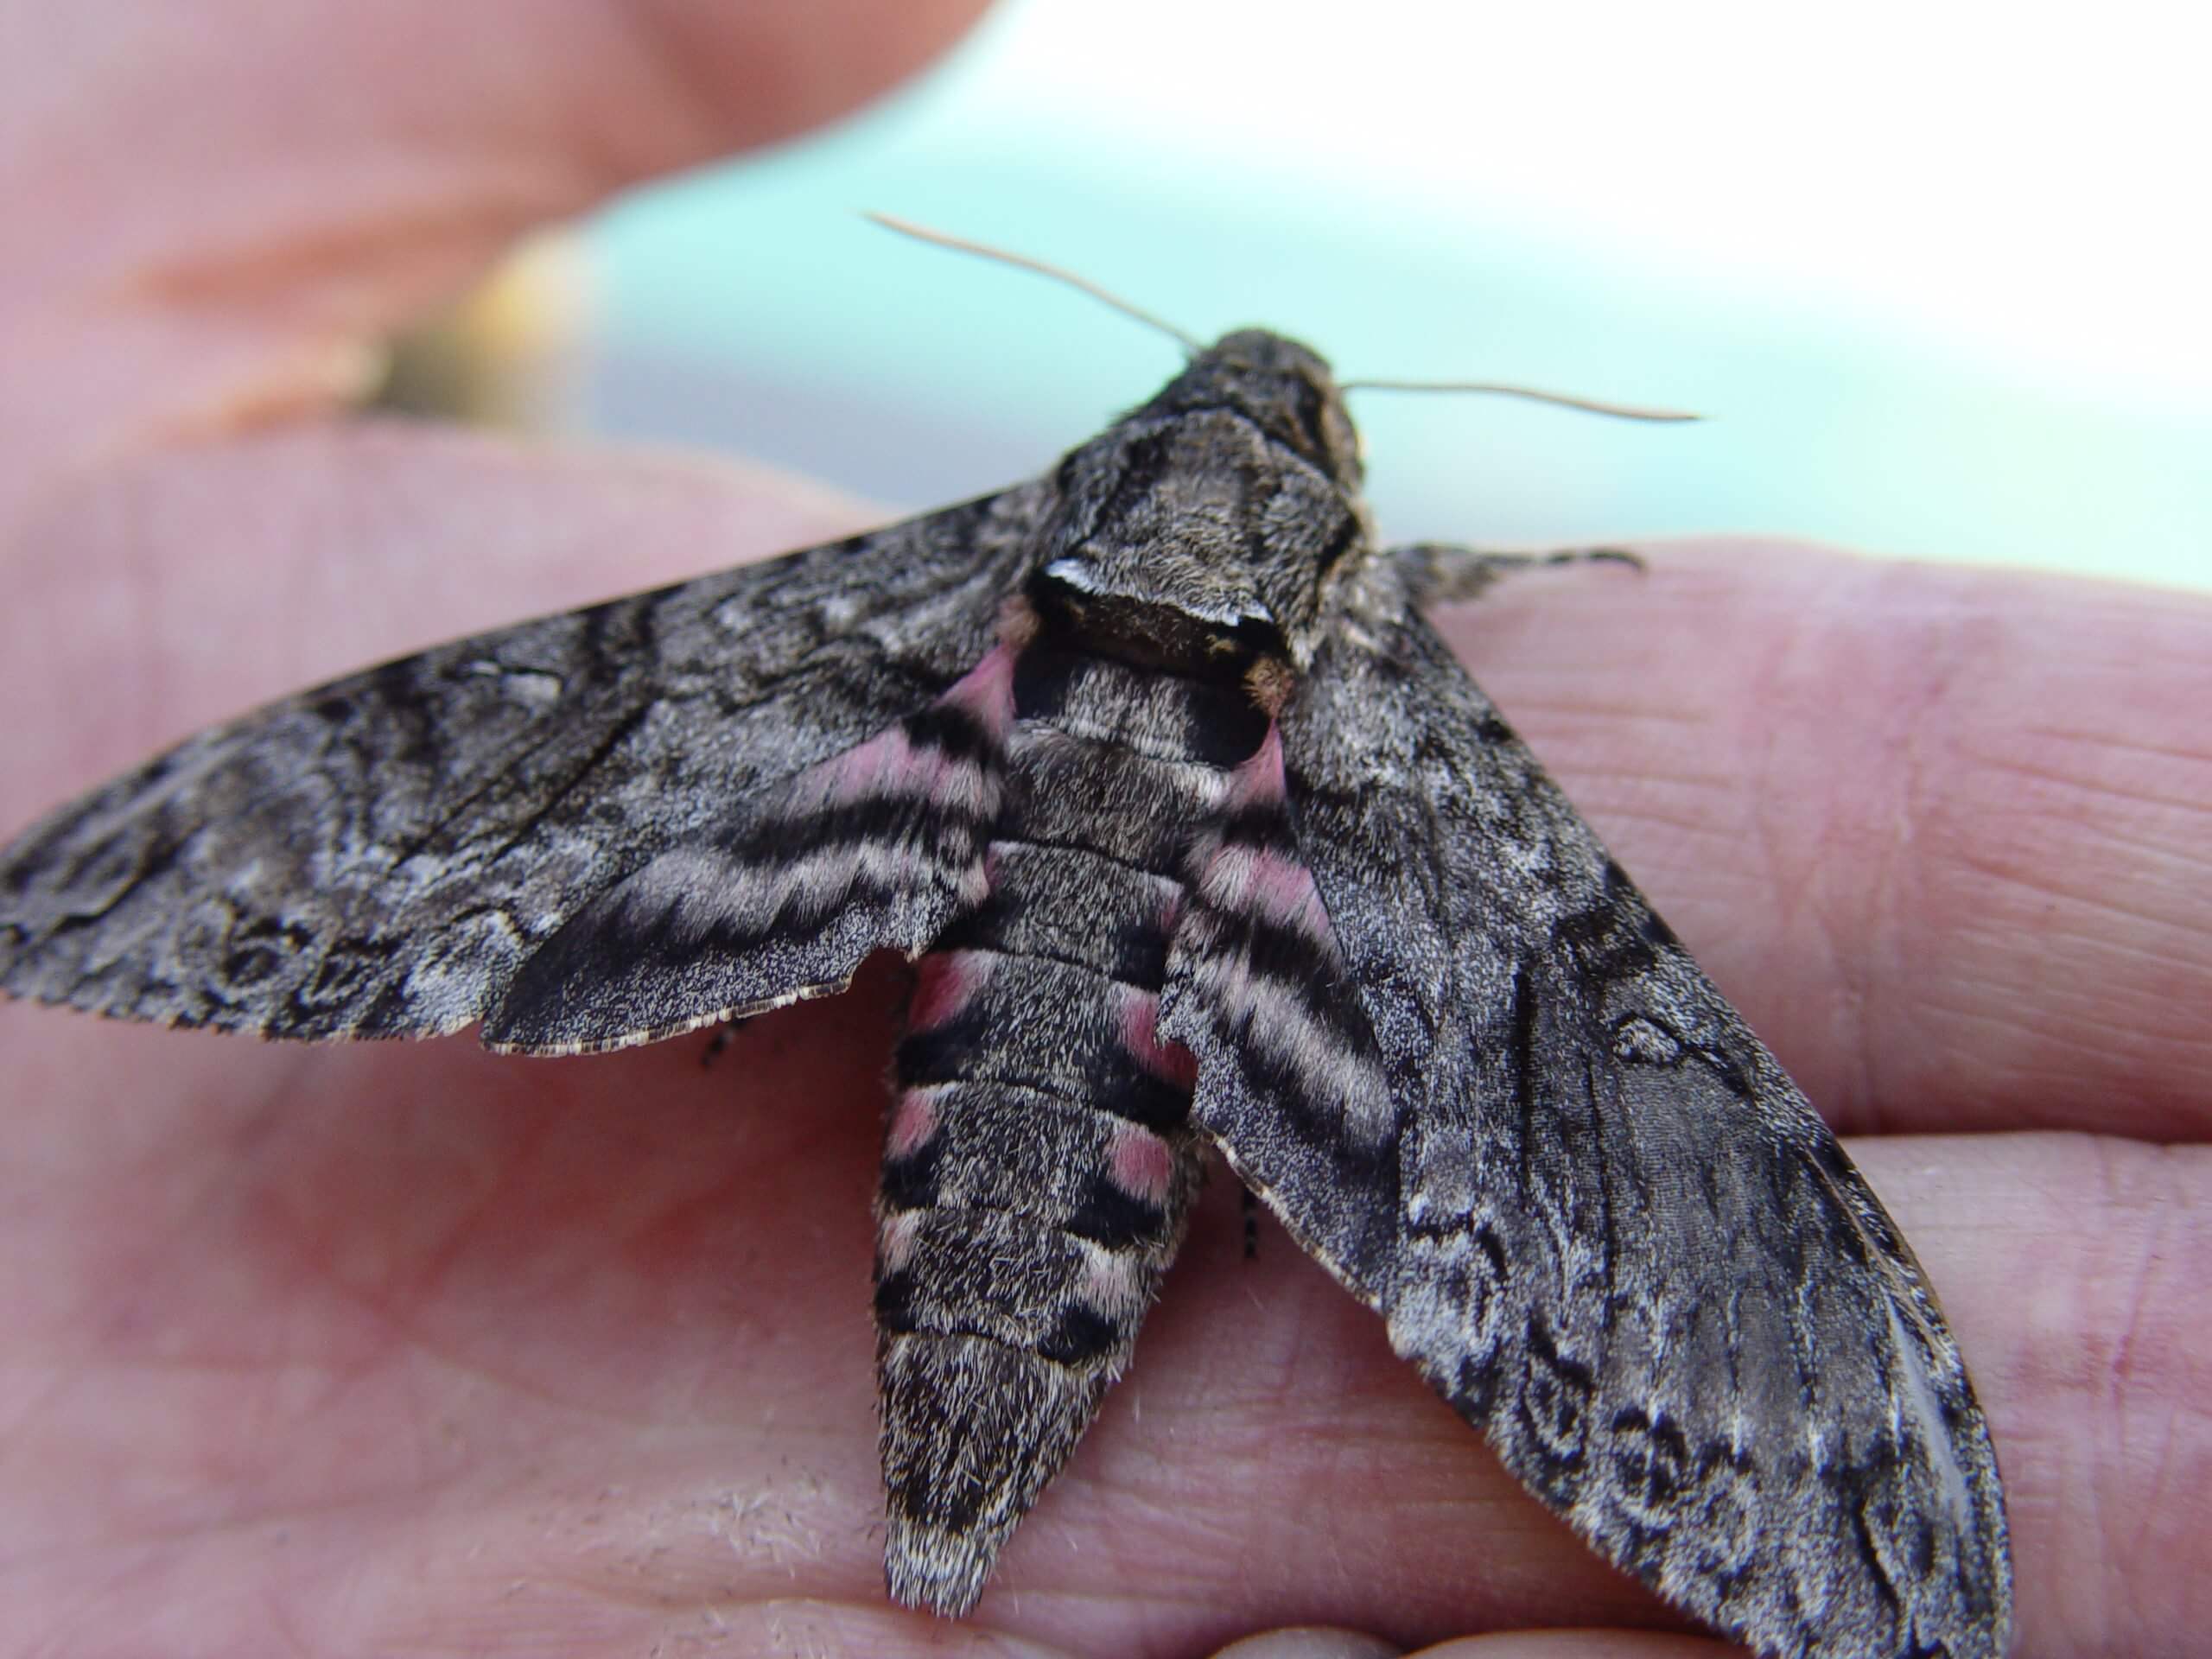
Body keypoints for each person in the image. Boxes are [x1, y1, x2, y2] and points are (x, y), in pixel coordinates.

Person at [2, 6, 2202, 1656]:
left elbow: (426, 789)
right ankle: (1781, 1472)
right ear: (1347, 542)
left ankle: (1808, 1489)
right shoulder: (1372, 635)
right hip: (1142, 1128)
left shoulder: (944, 583)